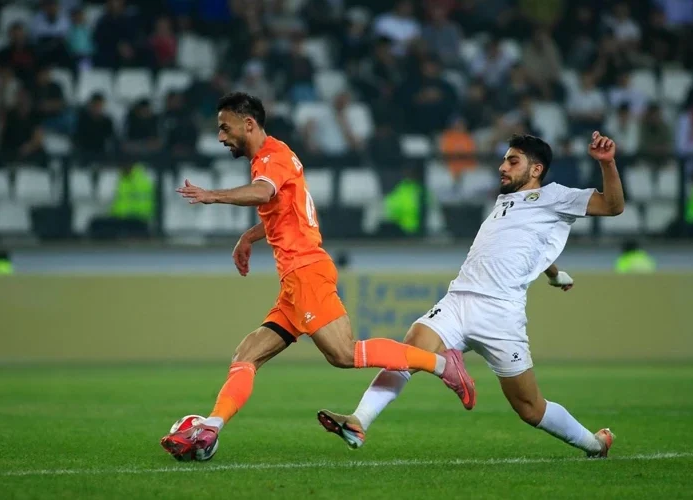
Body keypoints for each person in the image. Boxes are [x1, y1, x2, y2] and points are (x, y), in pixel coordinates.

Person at [160, 92, 474, 461]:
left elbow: (263, 192)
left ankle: (443, 365)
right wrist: (248, 236)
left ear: (249, 124)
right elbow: (284, 211)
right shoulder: (274, 156)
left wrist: (213, 195)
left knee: (343, 353)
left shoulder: (272, 158)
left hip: (306, 271)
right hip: (294, 281)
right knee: (246, 355)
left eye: (225, 128)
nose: (220, 137)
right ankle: (211, 427)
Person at [317, 132, 625, 459]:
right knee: (409, 351)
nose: (502, 167)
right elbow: (527, 246)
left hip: (501, 315)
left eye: (512, 161)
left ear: (536, 170)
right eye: (504, 160)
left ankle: (595, 445)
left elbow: (613, 206)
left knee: (529, 407)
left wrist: (607, 163)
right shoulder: (505, 202)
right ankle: (359, 421)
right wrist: (554, 274)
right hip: (458, 301)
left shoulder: (554, 196)